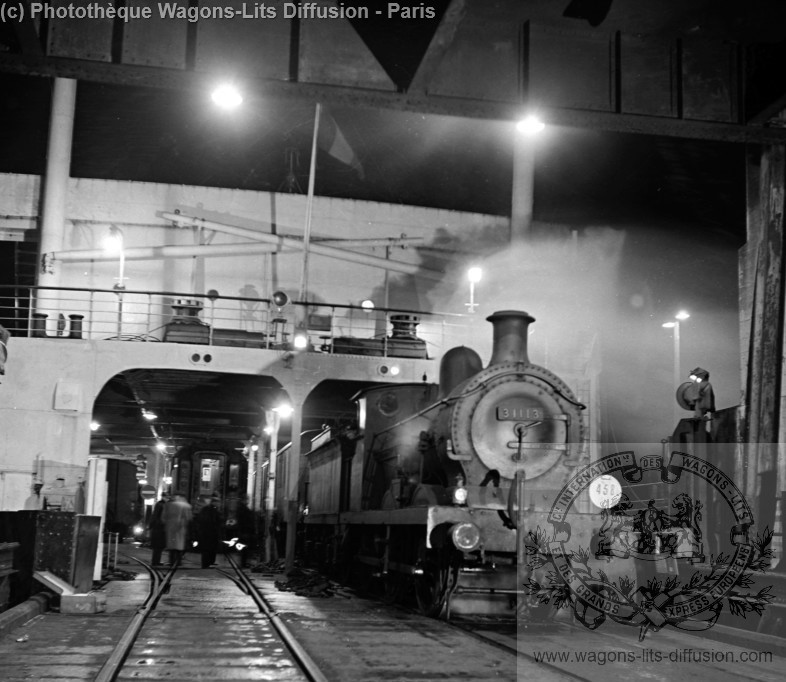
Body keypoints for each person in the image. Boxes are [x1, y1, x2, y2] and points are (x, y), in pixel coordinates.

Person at [195, 493, 224, 568]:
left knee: (206, 549)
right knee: (211, 548)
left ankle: (206, 563)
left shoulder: (205, 509)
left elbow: (200, 520)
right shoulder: (215, 511)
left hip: (205, 533)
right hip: (212, 533)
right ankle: (209, 562)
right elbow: (217, 522)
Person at [163, 493, 192, 567]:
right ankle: (178, 561)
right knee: (179, 546)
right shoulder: (186, 506)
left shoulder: (168, 505)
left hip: (170, 527)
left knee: (171, 546)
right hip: (181, 528)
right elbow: (189, 518)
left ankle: (172, 561)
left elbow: (163, 517)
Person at [148, 493, 169, 566]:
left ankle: (156, 561)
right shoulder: (161, 505)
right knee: (158, 547)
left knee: (157, 547)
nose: (168, 498)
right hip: (159, 529)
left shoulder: (160, 504)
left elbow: (154, 515)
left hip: (157, 528)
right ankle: (155, 561)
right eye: (167, 497)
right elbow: (156, 516)